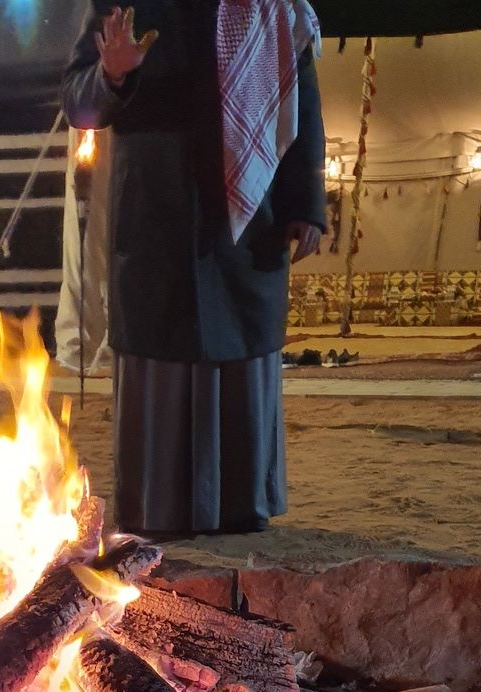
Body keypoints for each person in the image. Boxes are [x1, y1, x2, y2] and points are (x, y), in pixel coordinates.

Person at [63, 0, 326, 538]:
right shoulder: (121, 4)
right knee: (163, 336)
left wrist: (306, 204)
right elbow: (78, 105)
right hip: (157, 207)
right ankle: (158, 510)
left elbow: (300, 99)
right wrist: (111, 74)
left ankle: (242, 505)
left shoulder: (273, 5)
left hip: (252, 212)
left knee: (241, 338)